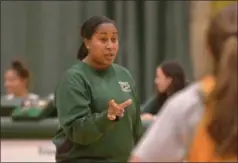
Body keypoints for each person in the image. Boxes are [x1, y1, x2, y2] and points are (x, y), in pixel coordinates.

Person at [129, 4, 237, 162]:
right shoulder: (187, 103)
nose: (156, 81)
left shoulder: (190, 104)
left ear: (208, 49)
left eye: (159, 77)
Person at [53, 16, 142, 163]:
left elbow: (136, 126)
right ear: (87, 42)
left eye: (114, 40)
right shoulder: (74, 78)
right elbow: (77, 131)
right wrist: (106, 117)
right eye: (103, 40)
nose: (110, 46)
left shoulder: (124, 75)